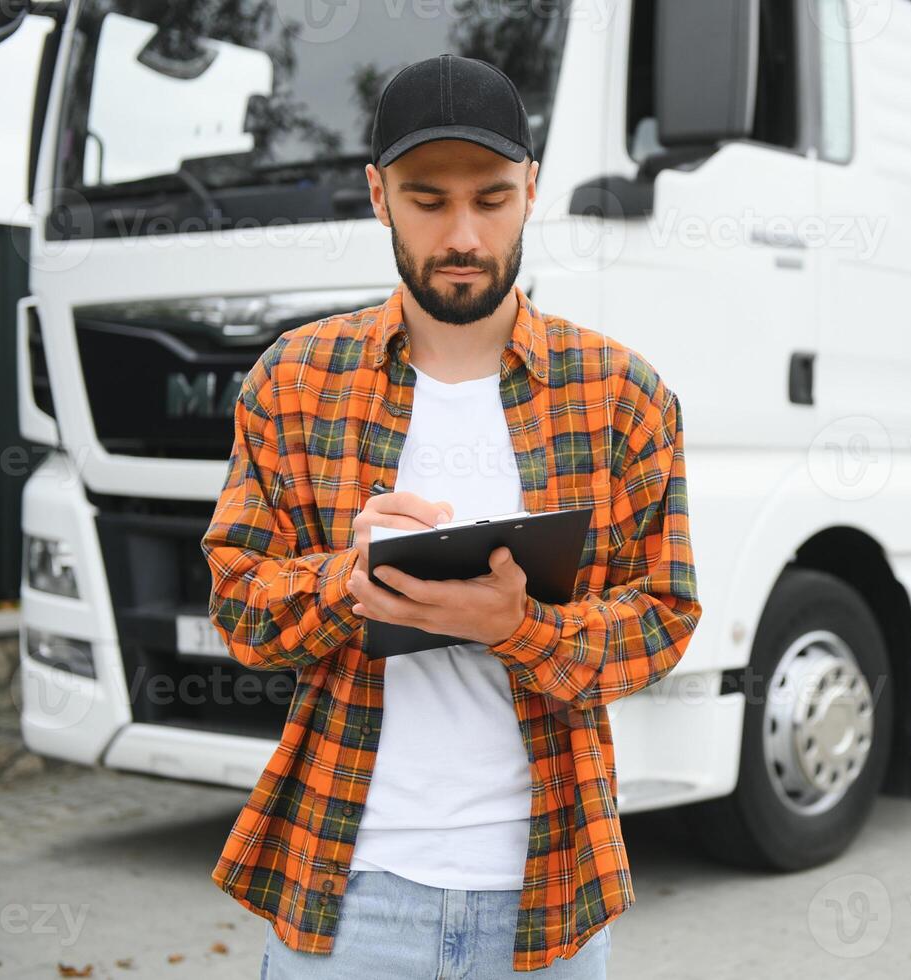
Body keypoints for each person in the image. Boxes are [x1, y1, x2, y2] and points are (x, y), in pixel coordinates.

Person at [200, 53, 702, 977]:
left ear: (533, 191)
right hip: (345, 893)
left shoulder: (621, 394)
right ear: (377, 195)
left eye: (493, 198)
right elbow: (238, 609)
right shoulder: (296, 379)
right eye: (427, 201)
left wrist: (520, 628)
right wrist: (342, 581)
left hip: (545, 894)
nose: (463, 234)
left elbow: (663, 622)